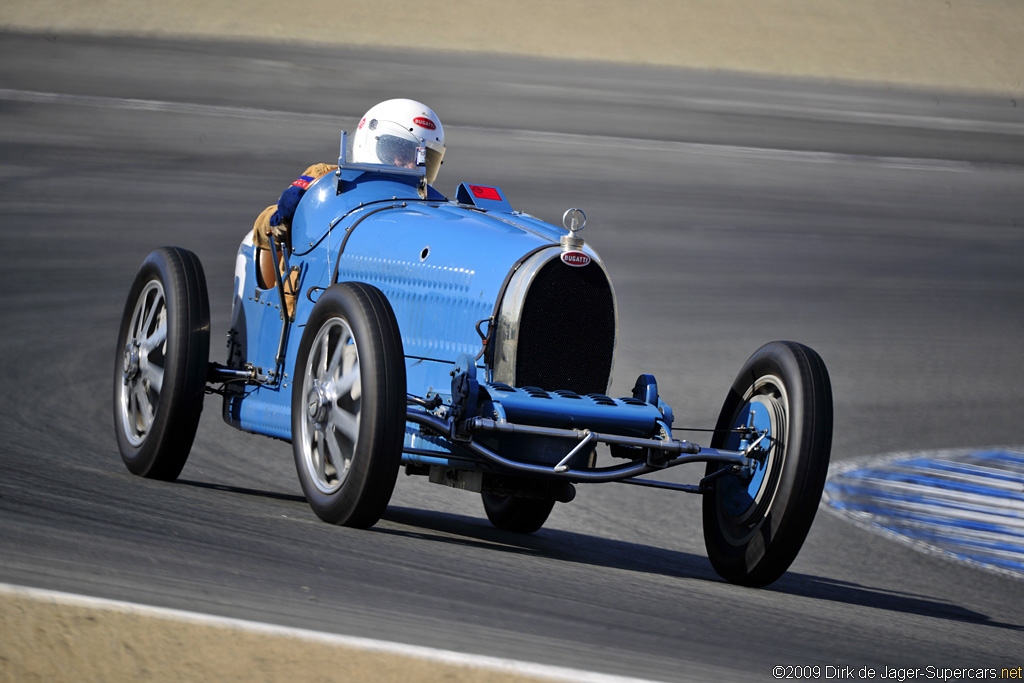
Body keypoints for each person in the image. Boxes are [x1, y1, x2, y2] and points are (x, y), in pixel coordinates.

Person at [252, 99, 446, 300]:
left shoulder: (427, 204)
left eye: (424, 159)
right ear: (374, 143)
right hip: (308, 296)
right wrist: (282, 219)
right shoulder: (324, 176)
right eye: (402, 153)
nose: (412, 166)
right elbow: (261, 229)